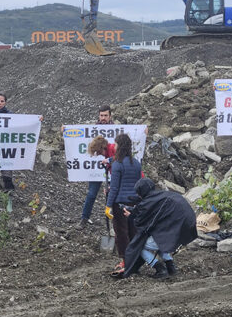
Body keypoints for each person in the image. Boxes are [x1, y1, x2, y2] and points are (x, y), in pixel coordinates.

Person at [117, 178, 197, 279]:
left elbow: (141, 221)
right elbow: (151, 212)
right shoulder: (161, 196)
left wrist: (131, 216)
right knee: (160, 240)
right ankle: (171, 267)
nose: (138, 196)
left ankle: (160, 269)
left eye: (139, 193)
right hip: (188, 224)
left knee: (140, 246)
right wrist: (134, 212)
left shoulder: (149, 202)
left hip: (176, 226)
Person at [105, 133, 142, 275]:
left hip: (119, 203)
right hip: (134, 203)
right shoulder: (136, 163)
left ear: (120, 146)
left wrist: (108, 205)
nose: (114, 146)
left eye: (115, 144)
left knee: (121, 233)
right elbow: (138, 185)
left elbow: (114, 188)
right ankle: (135, 260)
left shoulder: (117, 165)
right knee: (133, 232)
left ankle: (125, 261)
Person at [76, 106, 116, 230]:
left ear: (110, 116)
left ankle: (115, 222)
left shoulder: (118, 129)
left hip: (113, 168)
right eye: (101, 115)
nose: (103, 118)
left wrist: (143, 132)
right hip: (95, 169)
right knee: (91, 194)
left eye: (106, 115)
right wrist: (65, 130)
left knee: (114, 194)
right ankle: (84, 218)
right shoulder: (92, 128)